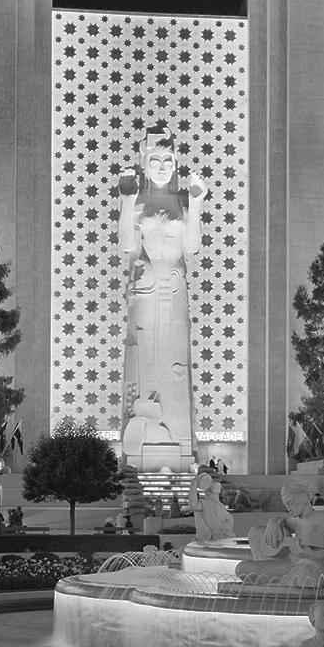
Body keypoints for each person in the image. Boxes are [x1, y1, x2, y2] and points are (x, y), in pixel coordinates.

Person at [117, 122, 208, 467]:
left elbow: (193, 246)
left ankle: (179, 446)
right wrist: (126, 200)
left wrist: (197, 203)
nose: (161, 166)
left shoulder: (182, 200)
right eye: (155, 159)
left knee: (177, 366)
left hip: (175, 288)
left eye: (167, 160)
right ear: (144, 161)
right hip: (145, 290)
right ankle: (144, 444)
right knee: (145, 366)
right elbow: (127, 244)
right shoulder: (137, 198)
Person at [235, 483, 324, 587]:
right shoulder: (296, 521)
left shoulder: (321, 518)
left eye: (290, 503)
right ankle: (275, 580)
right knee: (242, 568)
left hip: (312, 565)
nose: (288, 509)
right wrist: (274, 522)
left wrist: (310, 554)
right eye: (286, 505)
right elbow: (282, 520)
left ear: (304, 498)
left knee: (307, 576)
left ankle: (275, 581)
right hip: (291, 563)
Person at [188, 470, 234, 542]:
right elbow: (193, 506)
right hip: (213, 540)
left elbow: (193, 505)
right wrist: (193, 484)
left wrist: (193, 484)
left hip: (218, 540)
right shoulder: (206, 503)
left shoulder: (219, 506)